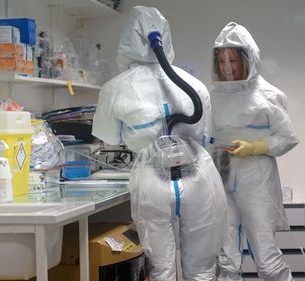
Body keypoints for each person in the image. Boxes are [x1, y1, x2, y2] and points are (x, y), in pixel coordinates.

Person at [92, 6, 227, 280]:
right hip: (198, 179)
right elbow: (202, 133)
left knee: (160, 270)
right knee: (201, 270)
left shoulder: (115, 88)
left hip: (152, 181)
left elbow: (110, 137)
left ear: (128, 38)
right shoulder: (195, 85)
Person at [210, 22, 300, 281]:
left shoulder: (268, 95)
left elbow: (287, 138)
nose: (227, 68)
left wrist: (256, 147)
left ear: (247, 59)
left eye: (233, 60)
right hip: (222, 180)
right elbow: (206, 136)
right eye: (222, 60)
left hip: (256, 183)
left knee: (268, 261)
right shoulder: (214, 97)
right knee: (226, 261)